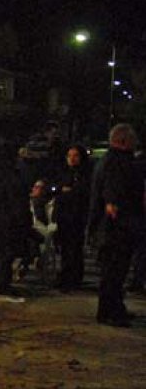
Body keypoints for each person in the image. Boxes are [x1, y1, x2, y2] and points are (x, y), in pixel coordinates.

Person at [93, 124, 144, 326]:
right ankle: (110, 312)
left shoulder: (110, 160)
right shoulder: (117, 163)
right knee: (113, 272)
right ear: (123, 141)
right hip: (117, 228)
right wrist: (113, 207)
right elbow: (113, 193)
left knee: (114, 272)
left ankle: (114, 308)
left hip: (115, 227)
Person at [0, 143, 32, 296]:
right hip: (7, 218)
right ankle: (3, 284)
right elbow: (16, 198)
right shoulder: (10, 175)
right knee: (6, 252)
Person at [54, 145, 91, 291]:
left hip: (77, 215)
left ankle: (73, 278)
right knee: (65, 248)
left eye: (75, 156)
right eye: (69, 156)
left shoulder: (85, 174)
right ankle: (66, 276)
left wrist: (70, 191)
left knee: (75, 248)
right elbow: (57, 188)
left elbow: (84, 191)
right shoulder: (64, 172)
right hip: (64, 215)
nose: (72, 159)